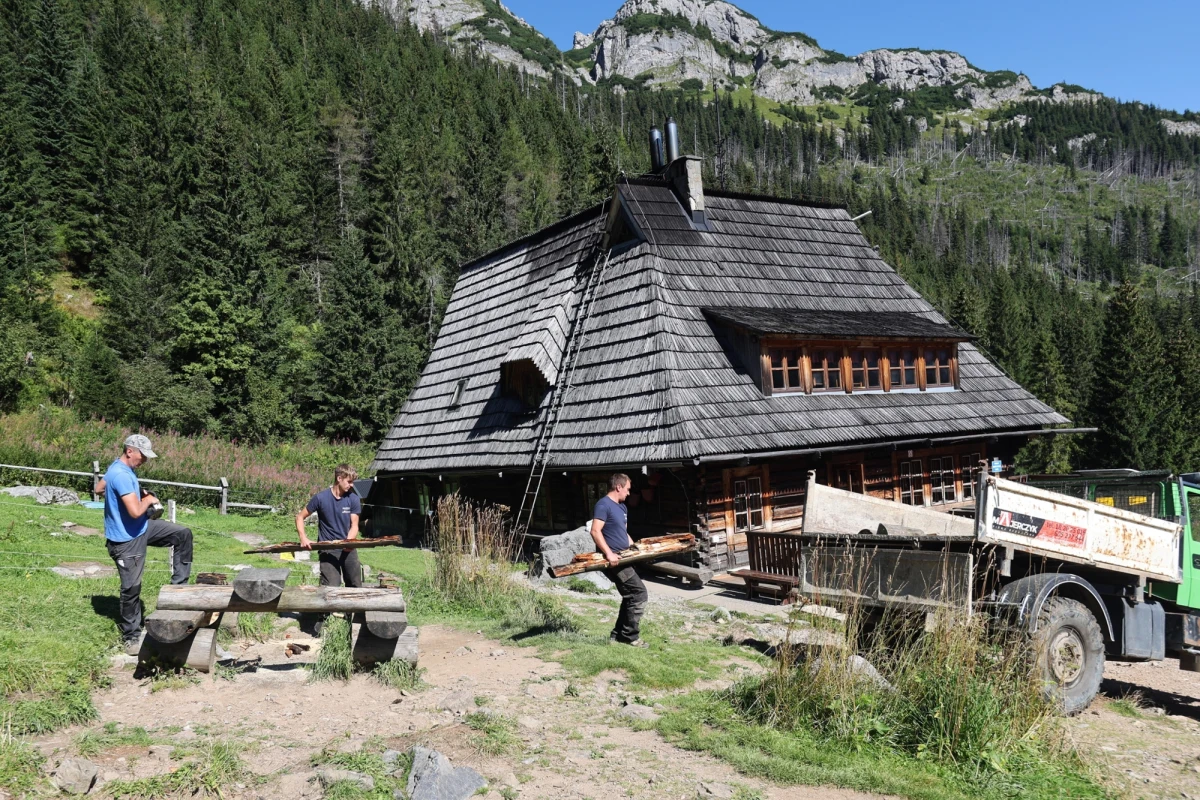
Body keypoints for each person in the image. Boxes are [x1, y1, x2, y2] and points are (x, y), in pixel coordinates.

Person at [101, 434, 194, 653]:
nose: (144, 460)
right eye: (142, 456)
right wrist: (148, 500)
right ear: (130, 451)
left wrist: (134, 494)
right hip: (126, 540)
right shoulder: (121, 474)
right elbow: (134, 511)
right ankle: (131, 636)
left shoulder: (118, 468)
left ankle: (177, 590)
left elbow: (98, 488)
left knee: (182, 534)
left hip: (141, 528)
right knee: (131, 588)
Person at [590, 473, 648, 647]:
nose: (629, 493)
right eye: (628, 489)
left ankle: (618, 634)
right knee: (639, 593)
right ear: (618, 487)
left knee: (630, 595)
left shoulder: (622, 507)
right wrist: (609, 554)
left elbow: (623, 533)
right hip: (614, 560)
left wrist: (636, 549)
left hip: (624, 557)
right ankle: (630, 636)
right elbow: (595, 531)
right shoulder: (603, 505)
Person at [295, 464, 363, 590]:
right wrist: (303, 538)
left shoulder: (353, 499)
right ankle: (324, 610)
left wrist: (348, 542)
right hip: (327, 548)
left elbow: (354, 525)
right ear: (339, 478)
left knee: (355, 585)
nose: (352, 485)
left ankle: (353, 610)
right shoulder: (320, 498)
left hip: (348, 547)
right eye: (349, 481)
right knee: (331, 586)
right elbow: (300, 517)